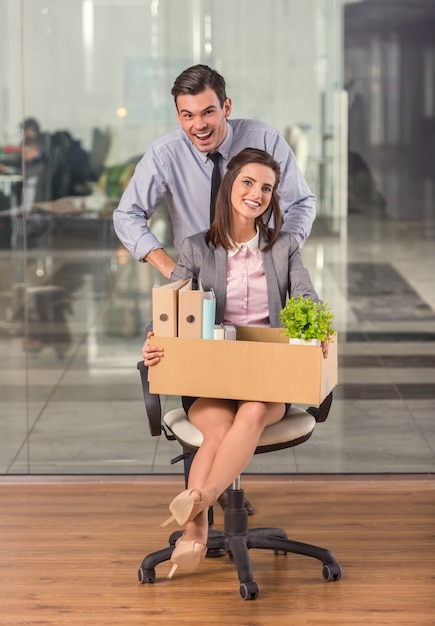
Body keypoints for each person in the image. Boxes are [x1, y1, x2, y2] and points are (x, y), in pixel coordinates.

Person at [114, 64, 317, 513]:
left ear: (226, 107)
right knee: (215, 409)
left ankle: (198, 507)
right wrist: (176, 273)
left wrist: (276, 251)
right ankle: (202, 517)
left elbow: (302, 203)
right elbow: (126, 216)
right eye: (186, 115)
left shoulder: (262, 140)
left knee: (243, 411)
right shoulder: (167, 152)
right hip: (202, 297)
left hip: (262, 343)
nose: (198, 125)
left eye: (207, 112)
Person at [142, 148, 330, 578]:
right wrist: (152, 341)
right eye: (248, 182)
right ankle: (196, 528)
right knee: (218, 428)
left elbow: (307, 300)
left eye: (266, 187)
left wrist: (315, 331)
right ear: (230, 186)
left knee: (251, 412)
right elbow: (167, 310)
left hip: (269, 380)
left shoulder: (283, 247)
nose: (257, 193)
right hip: (212, 376)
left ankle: (198, 510)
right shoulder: (196, 248)